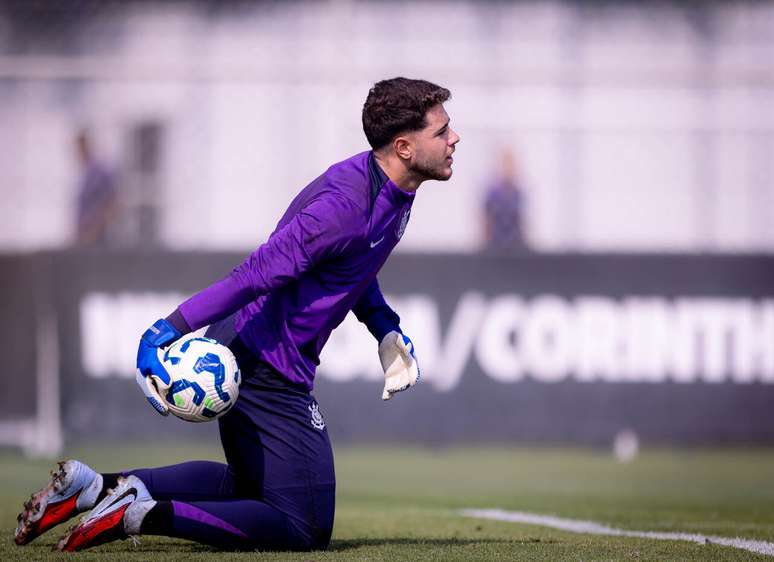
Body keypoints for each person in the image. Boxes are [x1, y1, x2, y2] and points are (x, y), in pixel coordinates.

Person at [14, 77, 460, 552]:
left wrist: (384, 327)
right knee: (303, 526)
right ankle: (135, 513)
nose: (454, 139)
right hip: (264, 362)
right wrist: (168, 329)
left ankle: (92, 488)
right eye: (442, 131)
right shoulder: (344, 206)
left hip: (263, 352)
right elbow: (255, 273)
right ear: (405, 147)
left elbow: (354, 264)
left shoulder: (389, 190)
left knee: (251, 491)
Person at [73, 129, 119, 247]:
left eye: (81, 148)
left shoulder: (100, 173)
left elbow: (113, 203)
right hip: (84, 237)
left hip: (98, 239)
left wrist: (94, 230)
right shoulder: (85, 174)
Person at [481, 148, 528, 251]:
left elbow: (521, 223)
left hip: (516, 246)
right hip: (494, 246)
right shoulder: (492, 194)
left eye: (511, 164)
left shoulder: (518, 193)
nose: (508, 168)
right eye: (505, 164)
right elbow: (486, 222)